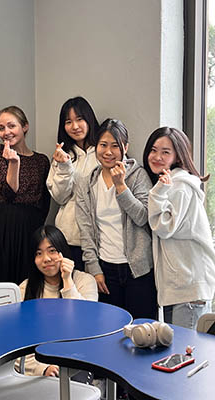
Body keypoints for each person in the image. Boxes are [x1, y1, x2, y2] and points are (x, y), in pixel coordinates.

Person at [75, 119, 157, 320]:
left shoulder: (137, 176)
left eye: (115, 146)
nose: (108, 152)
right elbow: (85, 230)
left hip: (138, 269)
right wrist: (94, 268)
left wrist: (121, 186)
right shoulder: (87, 183)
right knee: (110, 331)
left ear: (125, 148)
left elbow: (142, 218)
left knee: (142, 330)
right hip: (105, 268)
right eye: (103, 145)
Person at [143, 127, 215, 329]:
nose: (157, 157)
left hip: (189, 287)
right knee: (181, 351)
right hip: (182, 285)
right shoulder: (172, 182)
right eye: (154, 150)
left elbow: (164, 227)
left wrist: (158, 193)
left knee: (187, 353)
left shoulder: (179, 186)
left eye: (165, 152)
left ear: (177, 155)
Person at [0, 106, 50, 284]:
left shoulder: (41, 161)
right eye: (1, 128)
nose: (6, 132)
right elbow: (8, 192)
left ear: (25, 126)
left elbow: (44, 201)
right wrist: (14, 163)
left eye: (11, 126)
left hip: (30, 227)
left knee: (27, 281)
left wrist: (35, 227)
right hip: (1, 224)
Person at [18, 225, 98, 377]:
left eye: (52, 250)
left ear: (63, 251)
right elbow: (16, 342)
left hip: (77, 360)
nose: (46, 259)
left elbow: (85, 323)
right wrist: (41, 369)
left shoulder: (84, 281)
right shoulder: (24, 289)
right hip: (39, 367)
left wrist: (67, 281)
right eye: (38, 253)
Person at [46, 96, 100, 270]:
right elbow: (60, 198)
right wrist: (64, 166)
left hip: (100, 238)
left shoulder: (104, 151)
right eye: (68, 122)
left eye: (80, 119)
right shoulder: (60, 155)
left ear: (89, 119)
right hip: (69, 237)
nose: (75, 126)